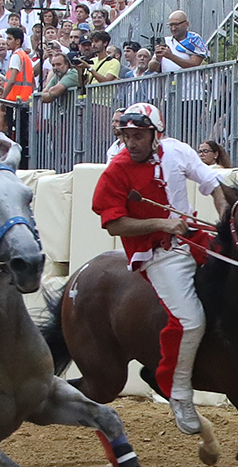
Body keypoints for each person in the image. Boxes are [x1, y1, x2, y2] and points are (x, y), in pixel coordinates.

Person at [90, 102, 224, 435]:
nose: (131, 143)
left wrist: (223, 217)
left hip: (194, 238)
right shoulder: (116, 170)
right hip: (158, 254)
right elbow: (114, 225)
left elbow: (214, 184)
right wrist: (162, 224)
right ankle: (179, 395)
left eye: (138, 136)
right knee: (190, 320)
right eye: (126, 136)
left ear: (156, 135)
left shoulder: (177, 151)